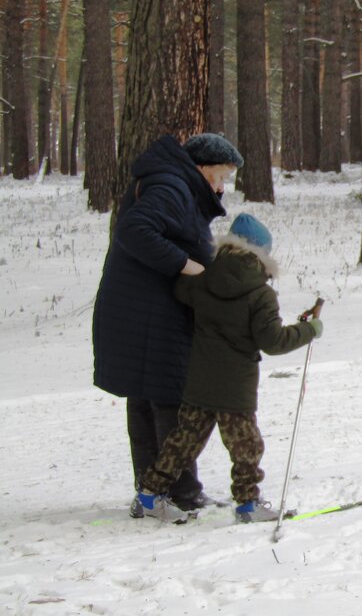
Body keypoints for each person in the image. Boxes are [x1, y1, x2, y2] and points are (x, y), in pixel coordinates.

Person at [135, 213, 323, 524]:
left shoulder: (203, 278)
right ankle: (247, 505)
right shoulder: (262, 294)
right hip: (235, 387)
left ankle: (148, 494)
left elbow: (181, 292)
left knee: (184, 442)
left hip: (200, 381)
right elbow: (273, 341)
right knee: (247, 447)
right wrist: (310, 330)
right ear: (262, 253)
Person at [92, 132, 243, 518]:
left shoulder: (172, 182)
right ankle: (180, 492)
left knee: (146, 396)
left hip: (140, 310)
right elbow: (135, 230)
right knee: (169, 395)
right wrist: (184, 264)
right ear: (202, 167)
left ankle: (153, 490)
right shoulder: (172, 185)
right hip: (149, 313)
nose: (222, 185)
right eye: (221, 175)